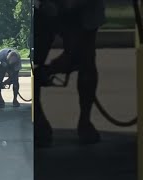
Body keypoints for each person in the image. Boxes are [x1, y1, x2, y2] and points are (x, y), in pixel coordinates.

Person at [34, 0, 106, 146]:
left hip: (84, 10)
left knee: (86, 61)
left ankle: (85, 122)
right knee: (34, 60)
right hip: (43, 8)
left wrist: (55, 67)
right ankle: (38, 121)